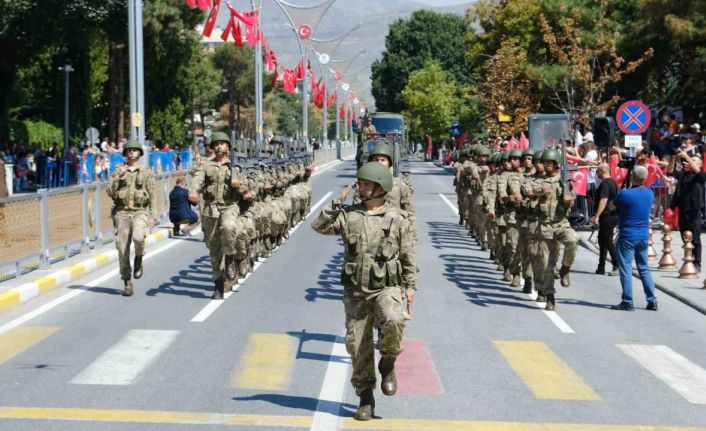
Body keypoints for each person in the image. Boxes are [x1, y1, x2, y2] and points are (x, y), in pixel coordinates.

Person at [311, 162, 416, 421]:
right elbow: (319, 226)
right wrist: (337, 202)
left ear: (380, 188)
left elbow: (407, 255)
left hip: (387, 286)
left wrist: (411, 286)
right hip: (356, 290)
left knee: (394, 319)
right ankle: (366, 397)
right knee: (357, 345)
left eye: (366, 184)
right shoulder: (350, 215)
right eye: (360, 183)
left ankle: (388, 361)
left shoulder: (397, 218)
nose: (361, 187)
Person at [190, 132, 252, 299]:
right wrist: (194, 192)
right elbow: (197, 180)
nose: (218, 147)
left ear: (228, 147)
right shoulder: (206, 166)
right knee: (214, 249)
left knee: (229, 227)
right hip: (210, 210)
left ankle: (231, 258)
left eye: (222, 144)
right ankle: (218, 284)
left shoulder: (236, 167)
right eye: (215, 144)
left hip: (229, 207)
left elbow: (246, 188)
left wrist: (240, 188)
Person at [106, 139, 155, 297]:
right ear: (125, 153)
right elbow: (110, 192)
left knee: (139, 237)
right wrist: (119, 178)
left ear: (139, 153)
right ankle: (126, 281)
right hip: (122, 213)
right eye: (129, 150)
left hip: (140, 211)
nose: (132, 152)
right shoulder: (118, 170)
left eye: (135, 150)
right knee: (122, 248)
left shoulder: (146, 171)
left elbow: (152, 194)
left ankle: (139, 258)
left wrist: (153, 215)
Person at [608, 165, 658, 311]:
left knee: (626, 269)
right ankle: (652, 300)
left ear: (633, 177)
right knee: (644, 268)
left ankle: (627, 301)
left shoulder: (625, 194)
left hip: (628, 235)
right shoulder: (650, 192)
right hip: (643, 235)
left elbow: (611, 207)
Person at [668, 148, 706, 270]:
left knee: (695, 237)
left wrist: (687, 156)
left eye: (694, 160)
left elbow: (698, 171)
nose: (689, 162)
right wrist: (674, 157)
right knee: (684, 235)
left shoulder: (700, 175)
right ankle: (688, 258)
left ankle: (697, 262)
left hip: (694, 210)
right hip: (683, 209)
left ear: (699, 164)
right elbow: (670, 171)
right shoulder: (684, 174)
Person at [591, 163, 619, 275]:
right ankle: (601, 266)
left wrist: (597, 216)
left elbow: (604, 200)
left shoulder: (605, 184)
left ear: (603, 171)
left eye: (597, 171)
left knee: (607, 241)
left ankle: (617, 265)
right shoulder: (613, 183)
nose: (597, 174)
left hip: (607, 216)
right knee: (602, 241)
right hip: (610, 216)